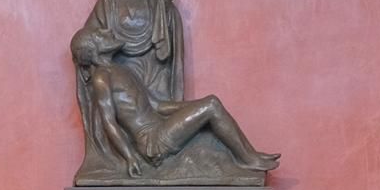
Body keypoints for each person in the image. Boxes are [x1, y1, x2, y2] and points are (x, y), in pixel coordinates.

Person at [72, 30, 280, 178]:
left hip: (161, 129)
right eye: (98, 36)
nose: (106, 34)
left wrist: (194, 107)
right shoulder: (101, 77)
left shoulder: (123, 71)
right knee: (212, 105)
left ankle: (250, 155)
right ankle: (249, 159)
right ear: (92, 50)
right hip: (152, 141)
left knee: (210, 104)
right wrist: (130, 158)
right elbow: (109, 122)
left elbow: (157, 106)